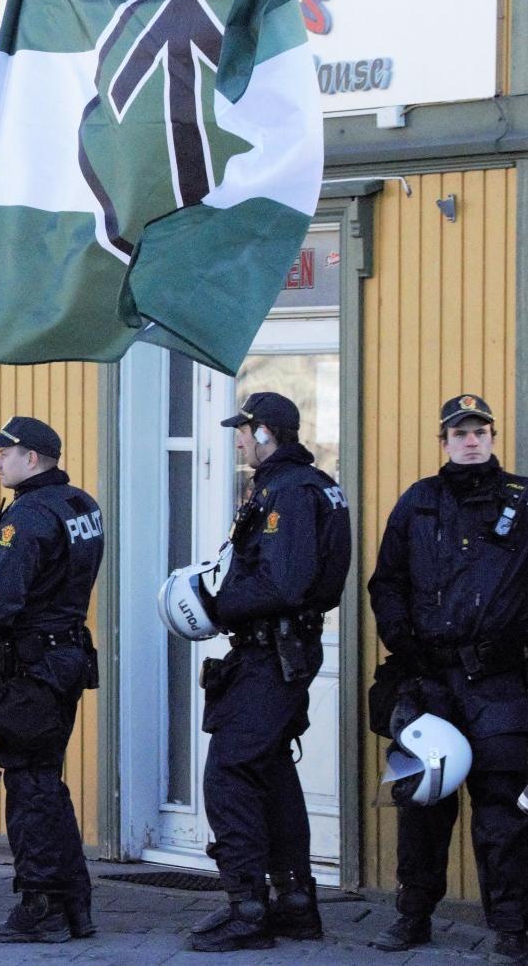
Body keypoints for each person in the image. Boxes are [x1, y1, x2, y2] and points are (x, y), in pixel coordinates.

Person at [186, 391, 350, 952]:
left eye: (243, 430)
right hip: (280, 653)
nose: (237, 440)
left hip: (271, 656)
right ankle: (295, 904)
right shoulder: (305, 484)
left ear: (264, 433)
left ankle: (247, 909)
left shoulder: (289, 492)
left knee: (229, 772)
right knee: (272, 772)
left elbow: (284, 583)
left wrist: (215, 606)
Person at [366, 394, 528, 962]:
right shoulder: (418, 502)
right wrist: (402, 644)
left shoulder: (522, 501)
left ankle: (512, 927)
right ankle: (413, 918)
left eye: (479, 430)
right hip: (429, 679)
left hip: (499, 683)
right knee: (423, 804)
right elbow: (385, 583)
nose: (470, 439)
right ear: (444, 441)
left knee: (503, 812)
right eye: (459, 432)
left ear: (492, 437)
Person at [0, 418, 102, 943]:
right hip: (64, 660)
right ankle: (73, 903)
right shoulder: (81, 504)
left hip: (33, 667)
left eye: (4, 453)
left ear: (32, 457)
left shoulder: (30, 515)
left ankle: (42, 906)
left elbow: (0, 597)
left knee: (30, 786)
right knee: (46, 783)